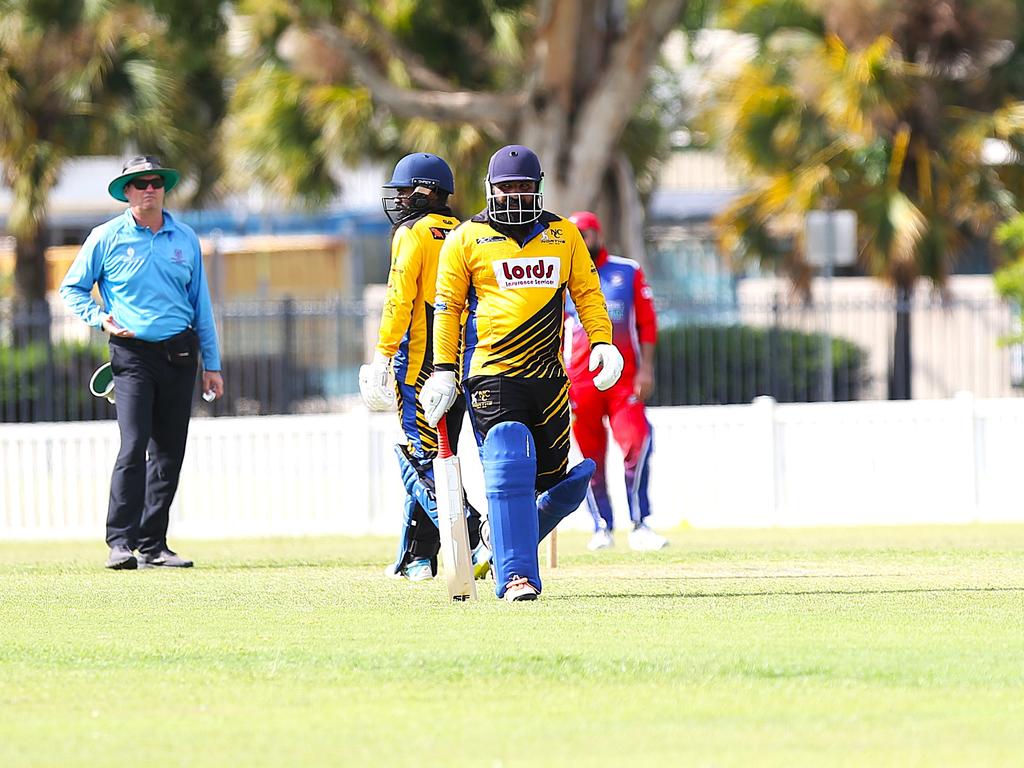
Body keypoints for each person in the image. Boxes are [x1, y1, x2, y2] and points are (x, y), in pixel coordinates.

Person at [418, 144, 624, 602]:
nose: (515, 195)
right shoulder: (466, 239)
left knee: (563, 484)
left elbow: (588, 293)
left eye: (524, 187)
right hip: (491, 373)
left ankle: (499, 537)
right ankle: (516, 577)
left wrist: (603, 341)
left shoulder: (563, 234)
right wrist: (444, 371)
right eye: (507, 187)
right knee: (509, 457)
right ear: (491, 189)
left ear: (539, 188)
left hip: (550, 380)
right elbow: (448, 308)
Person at [59, 155, 223, 570]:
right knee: (134, 445)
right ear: (127, 192)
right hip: (132, 355)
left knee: (170, 452)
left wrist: (213, 365)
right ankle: (120, 541)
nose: (149, 188)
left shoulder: (184, 238)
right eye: (140, 183)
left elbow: (200, 305)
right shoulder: (106, 237)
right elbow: (72, 289)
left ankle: (153, 545)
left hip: (181, 352)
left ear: (163, 188)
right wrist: (101, 319)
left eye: (155, 182)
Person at [359, 152, 487, 582]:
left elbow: (399, 298)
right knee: (439, 454)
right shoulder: (468, 232)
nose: (397, 199)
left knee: (420, 459)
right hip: (462, 365)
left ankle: (475, 533)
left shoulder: (411, 233)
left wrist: (381, 354)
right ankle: (415, 557)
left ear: (424, 191)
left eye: (403, 190)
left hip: (418, 367)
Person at [565, 211, 667, 552]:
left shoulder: (627, 271)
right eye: (574, 234)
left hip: (624, 384)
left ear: (598, 234)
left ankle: (640, 523)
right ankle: (601, 526)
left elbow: (648, 324)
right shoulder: (561, 277)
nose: (581, 240)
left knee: (638, 443)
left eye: (585, 234)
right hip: (580, 384)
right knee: (589, 459)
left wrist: (646, 369)